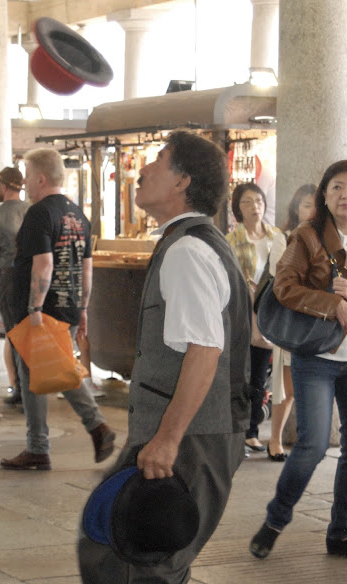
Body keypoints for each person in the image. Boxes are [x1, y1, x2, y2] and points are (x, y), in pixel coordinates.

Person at [78, 129, 251, 583]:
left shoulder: (189, 251)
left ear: (181, 182)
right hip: (189, 433)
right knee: (119, 544)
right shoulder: (190, 244)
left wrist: (169, 439)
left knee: (150, 562)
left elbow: (205, 351)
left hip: (192, 437)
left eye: (158, 160)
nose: (144, 170)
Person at [250, 159, 347, 560]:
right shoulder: (307, 237)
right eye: (337, 188)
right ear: (325, 195)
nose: (346, 195)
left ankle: (342, 532)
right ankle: (275, 520)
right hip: (316, 354)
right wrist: (332, 302)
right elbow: (283, 287)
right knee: (313, 444)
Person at [0, 148, 115, 470]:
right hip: (66, 306)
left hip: (40, 309)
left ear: (40, 177)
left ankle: (94, 427)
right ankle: (39, 446)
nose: (24, 182)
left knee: (55, 370)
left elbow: (45, 263)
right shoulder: (79, 214)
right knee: (37, 373)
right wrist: (83, 309)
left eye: (26, 174)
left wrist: (34, 308)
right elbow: (86, 269)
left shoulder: (40, 213)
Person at [226, 182, 280, 452]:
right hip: (241, 317)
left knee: (259, 377)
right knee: (239, 376)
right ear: (238, 208)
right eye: (247, 202)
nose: (254, 206)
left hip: (267, 316)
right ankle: (235, 432)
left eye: (258, 201)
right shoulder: (231, 241)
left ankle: (251, 431)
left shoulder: (276, 237)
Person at [267, 183, 316, 461]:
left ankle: (305, 441)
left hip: (316, 322)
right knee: (286, 386)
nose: (312, 211)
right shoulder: (283, 237)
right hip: (292, 320)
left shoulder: (325, 238)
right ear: (296, 208)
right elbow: (281, 278)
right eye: (307, 205)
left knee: (301, 387)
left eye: (315, 205)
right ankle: (275, 439)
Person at [0, 167, 30, 406]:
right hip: (31, 276)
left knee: (12, 334)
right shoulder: (32, 211)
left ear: (5, 186)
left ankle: (19, 390)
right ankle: (29, 388)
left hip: (6, 277)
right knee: (27, 331)